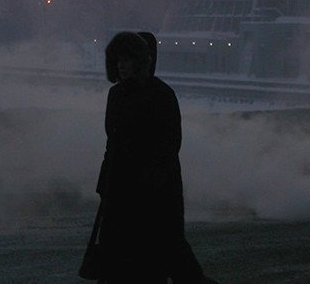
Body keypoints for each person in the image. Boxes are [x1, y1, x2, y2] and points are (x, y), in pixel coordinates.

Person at [83, 31, 214, 283]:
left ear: (140, 61)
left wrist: (150, 181)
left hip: (154, 192)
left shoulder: (161, 95)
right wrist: (105, 183)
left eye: (127, 59)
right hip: (122, 186)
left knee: (158, 253)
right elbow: (112, 142)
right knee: (123, 255)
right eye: (118, 60)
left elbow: (168, 145)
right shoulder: (117, 95)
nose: (121, 65)